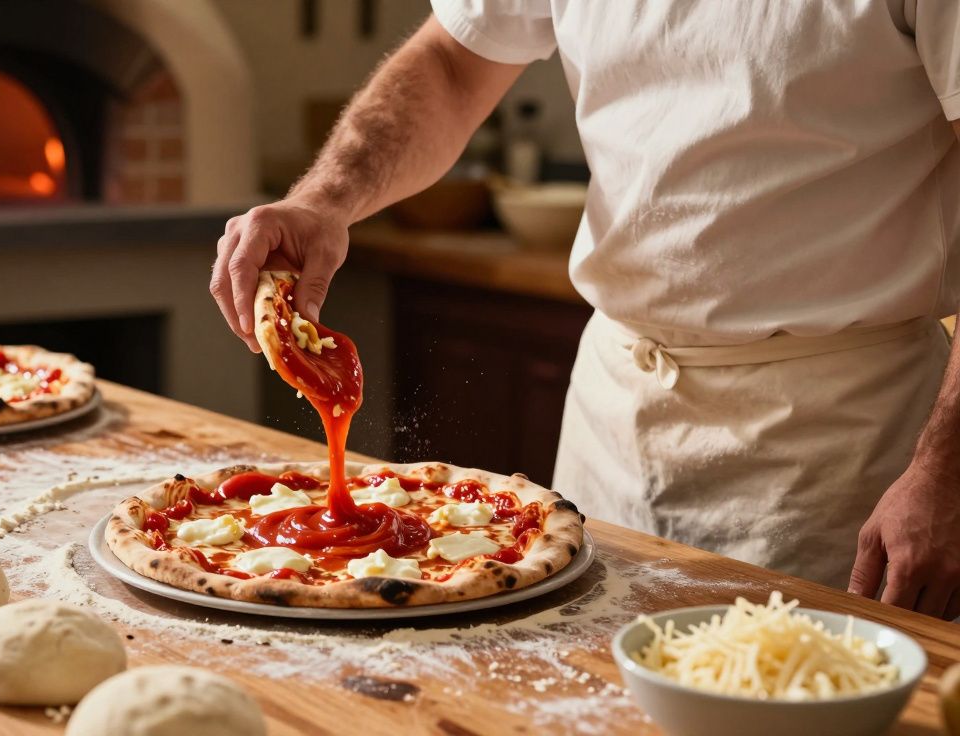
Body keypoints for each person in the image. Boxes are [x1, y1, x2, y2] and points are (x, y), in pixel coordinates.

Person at [208, 2, 960, 619]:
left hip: (840, 442)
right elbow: (453, 61)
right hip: (613, 416)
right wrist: (323, 199)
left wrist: (948, 472)